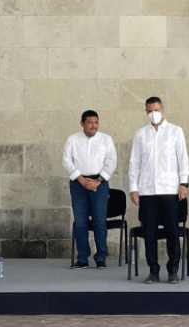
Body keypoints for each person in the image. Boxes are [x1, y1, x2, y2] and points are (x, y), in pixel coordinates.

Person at [129, 97, 189, 284]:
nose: (153, 114)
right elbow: (134, 163)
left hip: (169, 189)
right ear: (146, 111)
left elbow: (183, 159)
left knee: (172, 232)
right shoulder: (141, 134)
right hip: (147, 191)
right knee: (149, 234)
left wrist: (184, 183)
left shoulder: (175, 131)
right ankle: (153, 271)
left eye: (156, 109)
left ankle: (173, 271)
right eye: (149, 111)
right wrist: (133, 187)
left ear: (162, 109)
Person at [63, 110, 117, 269]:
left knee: (100, 222)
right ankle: (82, 258)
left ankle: (100, 257)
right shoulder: (73, 139)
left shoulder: (105, 139)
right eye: (90, 122)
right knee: (80, 223)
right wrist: (79, 178)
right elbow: (66, 160)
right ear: (82, 124)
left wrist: (98, 181)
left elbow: (112, 161)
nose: (94, 126)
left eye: (96, 122)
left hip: (99, 184)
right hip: (78, 184)